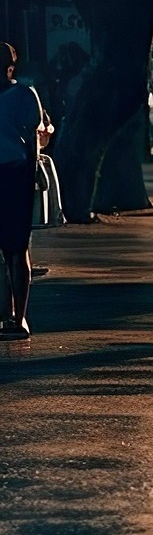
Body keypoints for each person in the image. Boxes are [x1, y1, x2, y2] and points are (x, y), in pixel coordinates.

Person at [0, 41, 46, 338]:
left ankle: (12, 317)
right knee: (17, 250)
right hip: (16, 175)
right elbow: (35, 141)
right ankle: (17, 318)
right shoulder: (25, 96)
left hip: (15, 176)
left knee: (15, 250)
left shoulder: (24, 96)